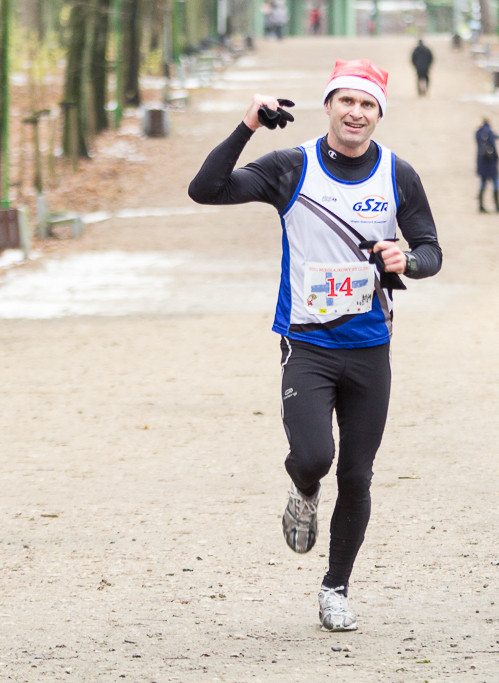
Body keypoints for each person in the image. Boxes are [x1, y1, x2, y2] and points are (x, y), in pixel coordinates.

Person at [188, 59, 443, 631]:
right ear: (329, 105)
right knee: (314, 458)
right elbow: (206, 189)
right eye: (346, 101)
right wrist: (248, 126)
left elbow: (431, 250)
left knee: (357, 474)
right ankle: (304, 489)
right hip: (307, 343)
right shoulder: (292, 167)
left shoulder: (398, 175)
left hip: (370, 347)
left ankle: (335, 588)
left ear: (379, 114)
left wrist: (408, 260)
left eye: (368, 104)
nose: (356, 113)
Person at [475, 118, 499, 213]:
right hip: (491, 163)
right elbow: (493, 145)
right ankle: (497, 207)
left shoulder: (478, 133)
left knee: (483, 184)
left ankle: (481, 206)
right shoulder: (489, 132)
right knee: (496, 184)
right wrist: (497, 158)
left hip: (482, 164)